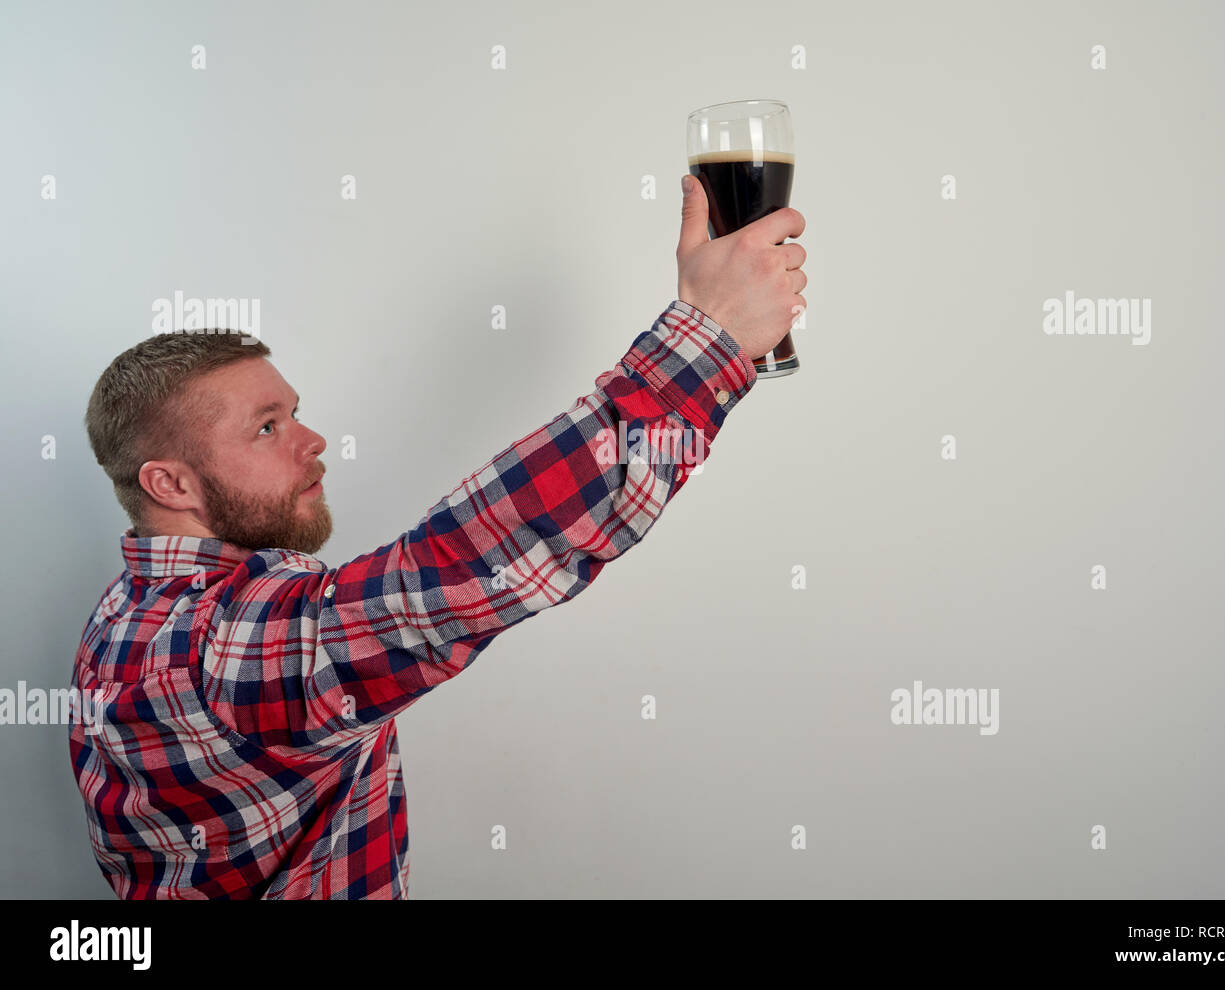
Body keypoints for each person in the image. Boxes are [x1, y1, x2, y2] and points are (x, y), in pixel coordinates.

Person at [68, 175, 808, 898]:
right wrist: (708, 335)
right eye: (267, 428)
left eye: (295, 412)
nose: (314, 439)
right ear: (170, 484)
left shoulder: (124, 617)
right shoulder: (217, 654)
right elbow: (462, 565)